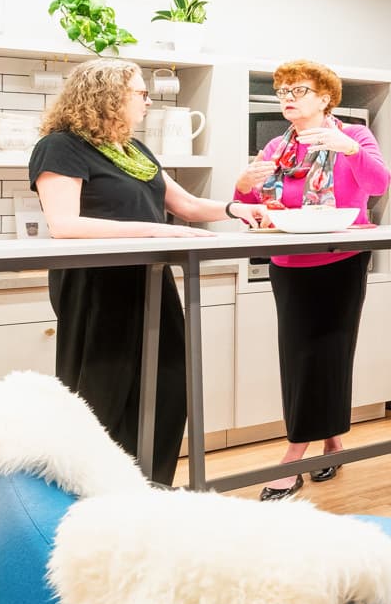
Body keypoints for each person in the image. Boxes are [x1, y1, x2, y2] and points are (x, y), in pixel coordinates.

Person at [29, 59, 264, 485]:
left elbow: (187, 206)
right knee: (103, 393)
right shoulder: (61, 146)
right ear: (107, 96)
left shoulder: (132, 150)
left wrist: (235, 209)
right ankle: (92, 495)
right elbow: (64, 224)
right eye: (140, 92)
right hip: (97, 285)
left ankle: (150, 489)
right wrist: (161, 232)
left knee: (169, 385)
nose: (148, 100)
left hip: (150, 278)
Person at [236, 60, 391, 501]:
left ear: (325, 98)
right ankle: (331, 441)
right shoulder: (275, 148)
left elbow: (378, 185)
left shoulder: (355, 137)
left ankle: (295, 457)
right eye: (282, 90)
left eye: (298, 90)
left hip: (341, 260)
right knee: (299, 357)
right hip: (288, 263)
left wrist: (349, 148)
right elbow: (251, 203)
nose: (287, 97)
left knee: (330, 353)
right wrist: (244, 183)